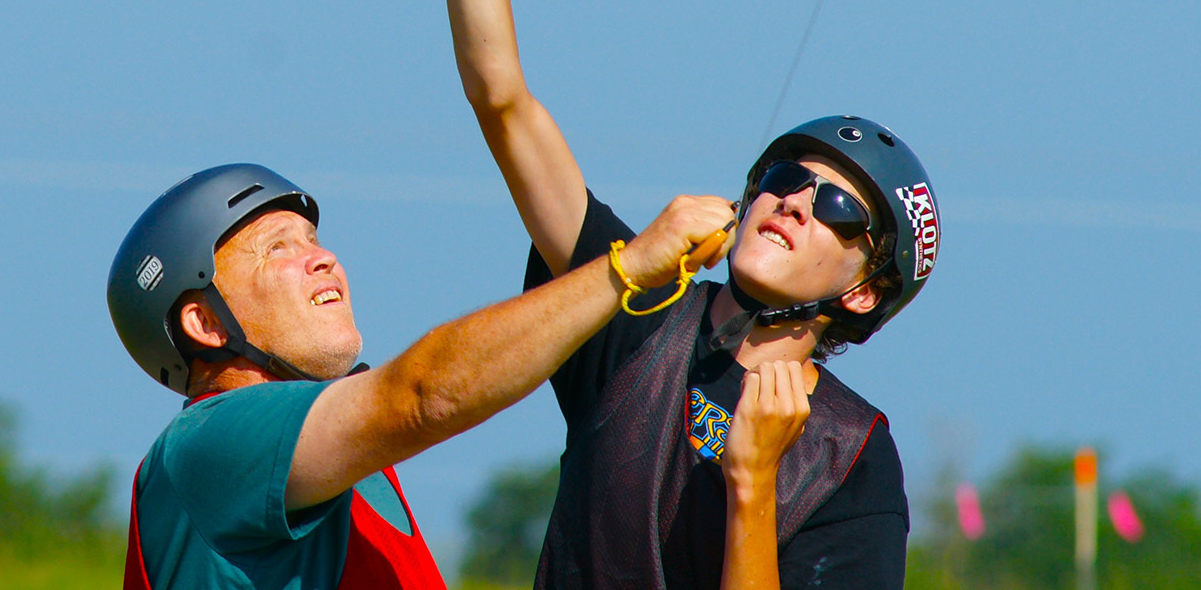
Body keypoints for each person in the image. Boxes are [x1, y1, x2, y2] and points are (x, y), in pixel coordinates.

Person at [417, 0, 942, 590]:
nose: (797, 202)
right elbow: (502, 102)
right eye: (783, 179)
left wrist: (752, 481)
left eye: (838, 210)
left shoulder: (853, 460)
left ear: (861, 289)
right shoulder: (634, 308)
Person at [107, 163, 738, 590]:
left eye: (313, 239)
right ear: (204, 323)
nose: (323, 257)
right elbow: (423, 394)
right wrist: (630, 267)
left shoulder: (358, 478)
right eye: (279, 249)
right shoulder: (210, 442)